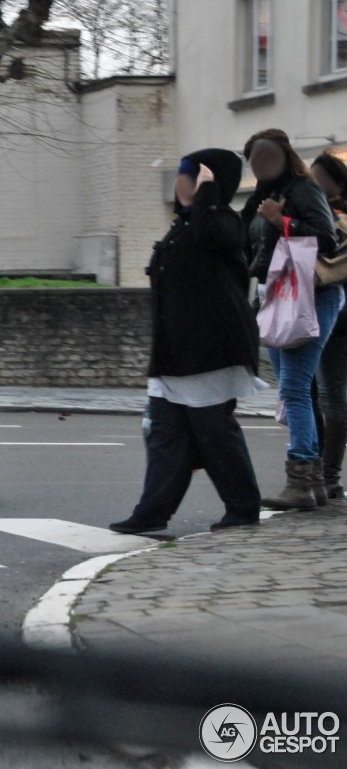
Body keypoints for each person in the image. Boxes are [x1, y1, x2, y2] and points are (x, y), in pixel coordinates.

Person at [110, 149, 264, 534]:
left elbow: (210, 234)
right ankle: (151, 512)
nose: (180, 184)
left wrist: (209, 193)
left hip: (209, 351)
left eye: (189, 176)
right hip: (174, 353)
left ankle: (243, 506)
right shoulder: (182, 226)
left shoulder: (223, 222)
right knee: (165, 434)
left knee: (214, 433)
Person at [240, 129, 343, 510]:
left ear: (285, 155)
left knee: (296, 389)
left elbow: (327, 239)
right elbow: (246, 241)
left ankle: (301, 478)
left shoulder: (302, 190)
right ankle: (313, 482)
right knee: (295, 387)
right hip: (276, 297)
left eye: (269, 155)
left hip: (311, 296)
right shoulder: (259, 196)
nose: (262, 163)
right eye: (255, 158)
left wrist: (283, 221)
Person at [311, 151, 347, 500]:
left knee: (332, 394)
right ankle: (322, 472)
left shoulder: (337, 217)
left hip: (338, 318)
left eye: (318, 177)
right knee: (319, 394)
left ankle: (329, 475)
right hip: (324, 314)